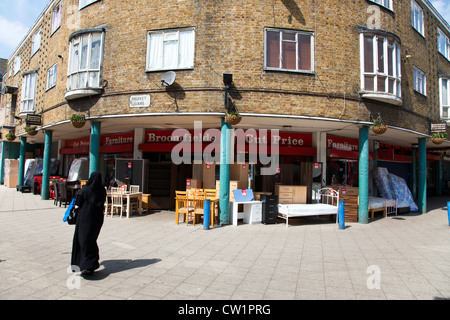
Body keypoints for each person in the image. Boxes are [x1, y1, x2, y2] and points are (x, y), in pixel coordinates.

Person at [71, 171, 107, 276]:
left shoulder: (85, 190)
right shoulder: (102, 191)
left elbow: (77, 204)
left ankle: (87, 264)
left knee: (83, 240)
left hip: (85, 218)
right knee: (91, 239)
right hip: (97, 219)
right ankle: (91, 263)